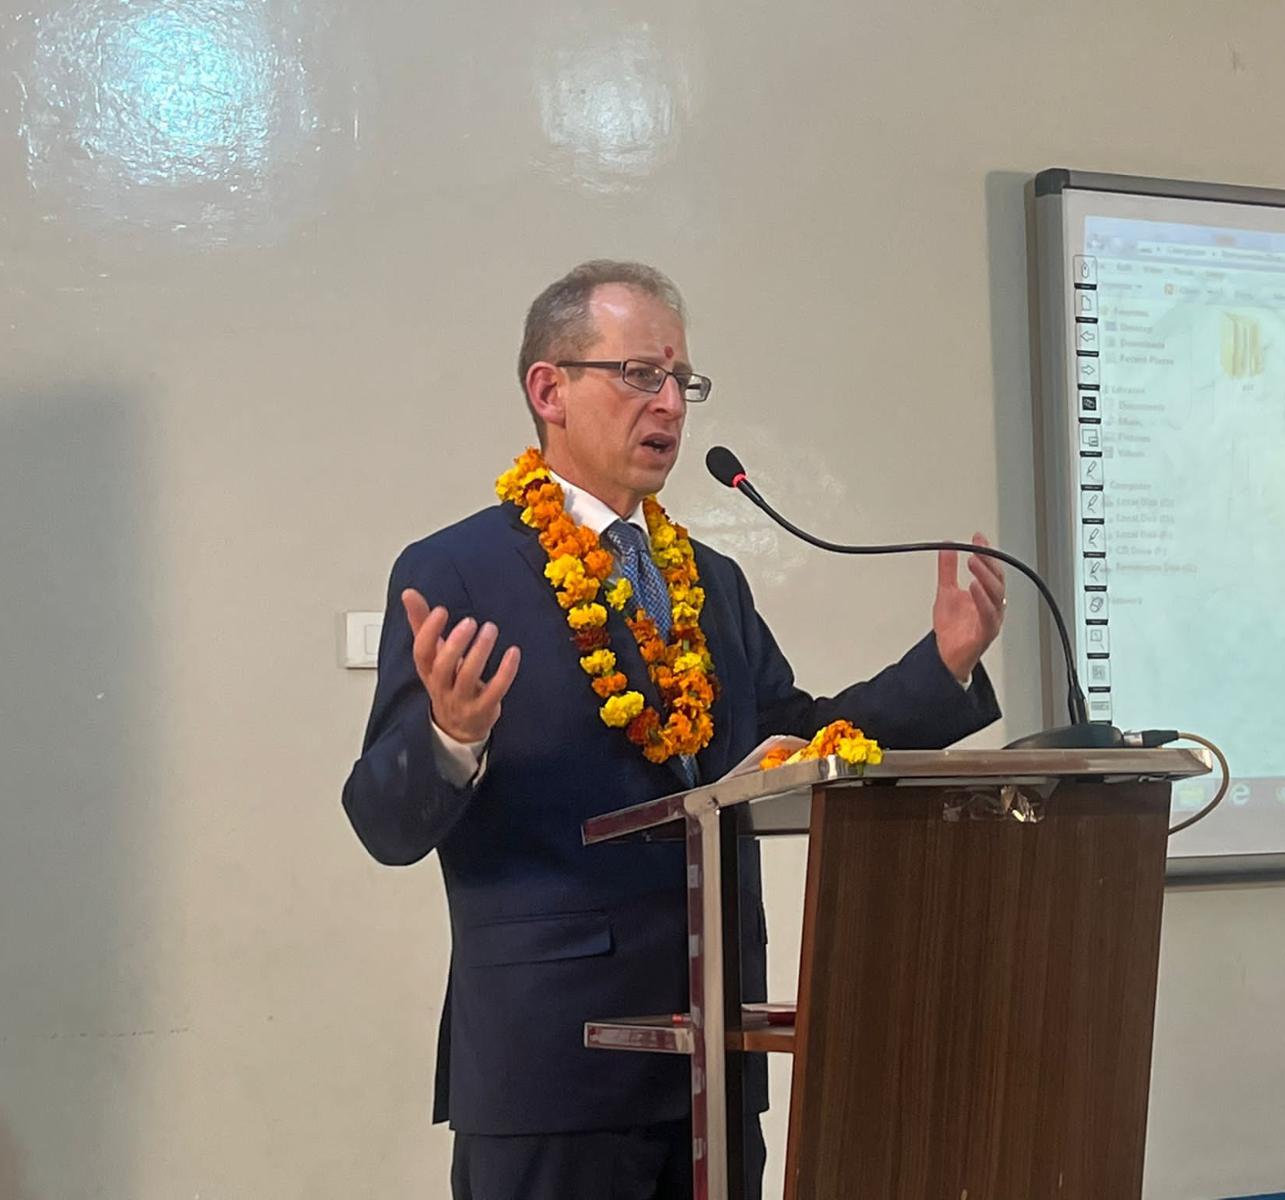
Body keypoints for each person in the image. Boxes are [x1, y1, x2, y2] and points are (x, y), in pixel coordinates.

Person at [342, 260, 1006, 1200]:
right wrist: (450, 735)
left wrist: (939, 669)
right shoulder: (460, 571)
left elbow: (790, 739)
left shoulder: (711, 582)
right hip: (556, 1062)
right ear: (550, 389)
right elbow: (380, 819)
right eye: (640, 376)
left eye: (682, 381)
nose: (670, 405)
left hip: (716, 1049)